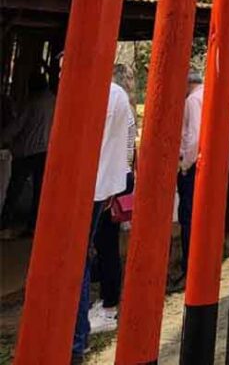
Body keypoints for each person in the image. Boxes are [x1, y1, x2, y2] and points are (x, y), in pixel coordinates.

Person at [72, 68, 134, 363]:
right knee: (94, 253)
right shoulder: (119, 96)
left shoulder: (100, 95)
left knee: (81, 257)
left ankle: (79, 336)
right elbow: (125, 147)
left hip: (91, 186)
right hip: (106, 184)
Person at [88, 63, 138, 335]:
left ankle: (109, 305)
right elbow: (130, 152)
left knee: (105, 247)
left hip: (109, 182)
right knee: (107, 246)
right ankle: (107, 302)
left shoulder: (114, 102)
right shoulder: (127, 107)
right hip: (117, 179)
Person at [0, 69, 55, 237]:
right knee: (40, 191)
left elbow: (17, 126)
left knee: (15, 189)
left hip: (27, 151)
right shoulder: (55, 101)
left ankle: (4, 223)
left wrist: (3, 138)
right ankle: (33, 226)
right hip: (46, 151)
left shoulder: (32, 103)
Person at [176, 68, 203, 285]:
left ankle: (188, 264)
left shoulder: (193, 100)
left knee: (187, 215)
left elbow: (193, 136)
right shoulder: (206, 95)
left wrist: (185, 164)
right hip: (204, 164)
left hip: (192, 165)